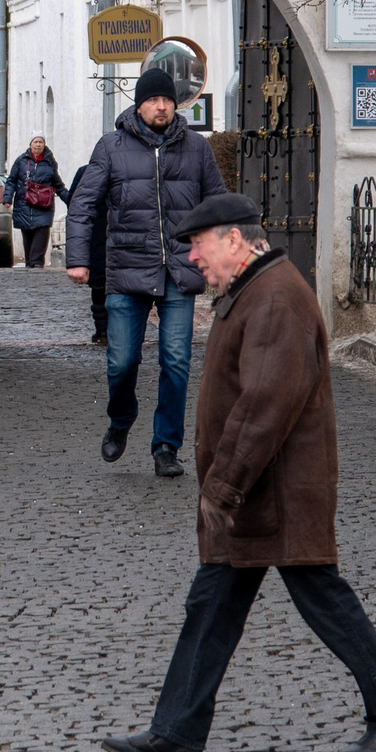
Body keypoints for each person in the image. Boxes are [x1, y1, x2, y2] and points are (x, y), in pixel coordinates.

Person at [100, 194, 376, 752]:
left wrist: (223, 488)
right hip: (259, 495)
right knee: (211, 606)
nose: (193, 260)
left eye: (198, 247)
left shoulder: (275, 298)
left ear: (233, 240)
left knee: (323, 600)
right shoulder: (256, 291)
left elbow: (263, 407)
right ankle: (176, 732)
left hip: (270, 495)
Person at [67, 65, 229, 478]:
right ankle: (121, 420)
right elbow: (84, 204)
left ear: (176, 105)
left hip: (179, 269)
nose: (161, 106)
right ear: (139, 105)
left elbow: (217, 206)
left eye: (168, 100)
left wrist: (221, 260)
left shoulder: (196, 149)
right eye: (154, 100)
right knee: (121, 361)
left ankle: (166, 446)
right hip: (126, 267)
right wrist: (78, 259)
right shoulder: (111, 147)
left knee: (176, 361)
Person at [4, 135, 66, 269]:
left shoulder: (49, 162)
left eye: (41, 142)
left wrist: (71, 200)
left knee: (40, 239)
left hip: (44, 206)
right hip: (24, 205)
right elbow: (11, 181)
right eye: (35, 142)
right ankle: (30, 267)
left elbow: (58, 185)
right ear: (30, 144)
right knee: (28, 240)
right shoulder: (21, 161)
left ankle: (37, 265)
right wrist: (7, 198)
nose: (38, 145)